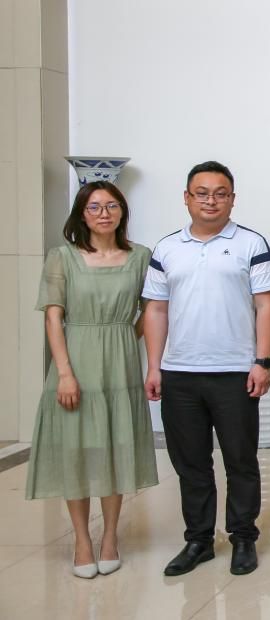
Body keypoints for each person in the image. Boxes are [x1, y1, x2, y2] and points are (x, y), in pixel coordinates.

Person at [143, 161, 270, 577]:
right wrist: (154, 367)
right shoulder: (167, 248)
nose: (211, 201)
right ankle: (199, 540)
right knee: (191, 463)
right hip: (180, 373)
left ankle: (243, 537)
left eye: (220, 194)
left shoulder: (251, 243)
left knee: (241, 460)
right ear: (187, 198)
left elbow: (265, 305)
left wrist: (262, 361)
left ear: (232, 199)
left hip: (235, 372)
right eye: (201, 193)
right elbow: (156, 310)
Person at [26, 181, 159, 579]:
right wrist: (65, 372)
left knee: (115, 448)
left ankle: (110, 537)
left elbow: (151, 310)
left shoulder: (141, 256)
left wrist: (124, 337)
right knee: (77, 450)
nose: (104, 213)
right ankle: (82, 540)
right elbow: (53, 318)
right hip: (74, 363)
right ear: (81, 214)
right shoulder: (62, 257)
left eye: (112, 206)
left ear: (122, 212)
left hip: (120, 365)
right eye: (95, 207)